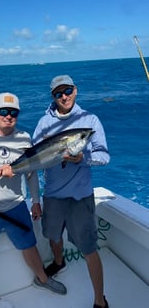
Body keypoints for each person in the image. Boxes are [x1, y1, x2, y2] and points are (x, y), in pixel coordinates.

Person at [0, 92, 67, 308]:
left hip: (16, 205)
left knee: (30, 246)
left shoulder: (24, 138)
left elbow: (32, 172)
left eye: (13, 112)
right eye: (4, 111)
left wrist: (35, 200)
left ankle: (42, 279)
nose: (8, 116)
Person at [32, 75, 110, 308]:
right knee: (53, 236)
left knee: (88, 248)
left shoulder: (90, 120)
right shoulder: (44, 123)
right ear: (53, 97)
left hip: (80, 197)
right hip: (53, 196)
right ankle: (59, 261)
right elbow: (34, 157)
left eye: (67, 91)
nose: (64, 96)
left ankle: (100, 300)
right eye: (58, 93)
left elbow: (104, 156)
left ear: (75, 90)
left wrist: (82, 158)